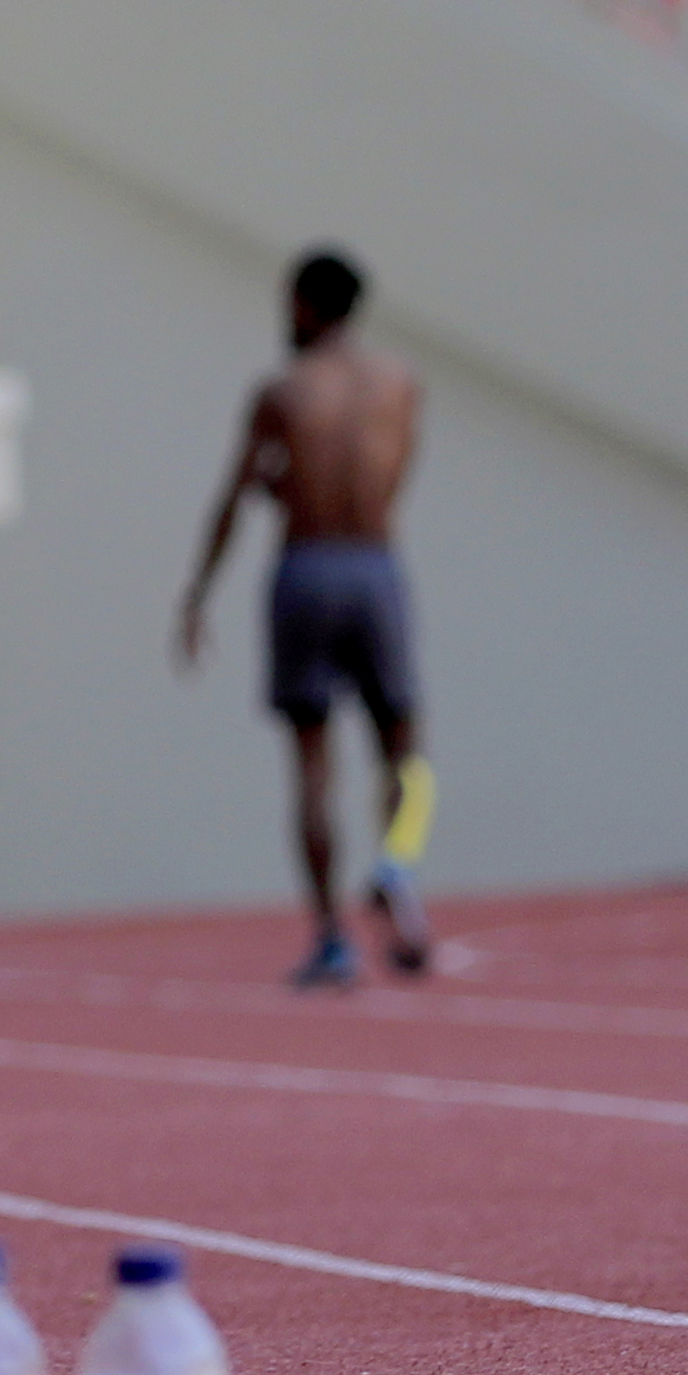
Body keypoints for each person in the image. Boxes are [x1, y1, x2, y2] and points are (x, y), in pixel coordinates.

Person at [176, 248, 437, 989]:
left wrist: (197, 594)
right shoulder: (400, 385)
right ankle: (400, 866)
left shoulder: (283, 391)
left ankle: (330, 935)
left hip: (308, 568)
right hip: (376, 566)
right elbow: (395, 477)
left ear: (307, 305)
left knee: (312, 762)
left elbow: (233, 495)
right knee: (406, 748)